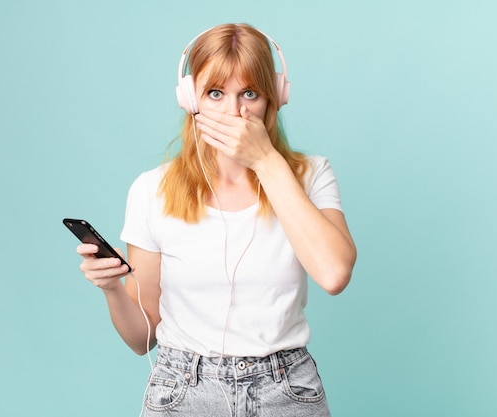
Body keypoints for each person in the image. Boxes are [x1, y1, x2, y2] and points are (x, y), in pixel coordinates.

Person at [76, 23, 356, 417]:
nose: (234, 112)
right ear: (191, 99)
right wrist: (112, 290)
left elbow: (334, 275)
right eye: (216, 93)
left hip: (286, 390)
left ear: (274, 98)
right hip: (184, 391)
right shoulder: (151, 190)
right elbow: (143, 339)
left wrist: (264, 160)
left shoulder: (311, 175)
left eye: (250, 93)